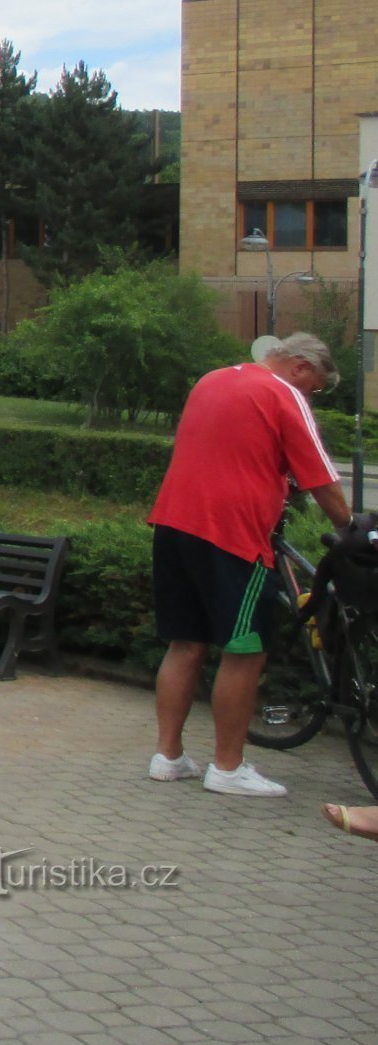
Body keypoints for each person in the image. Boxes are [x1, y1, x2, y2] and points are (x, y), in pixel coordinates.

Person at [147, 333, 349, 797]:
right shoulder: (282, 393)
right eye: (313, 387)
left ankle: (169, 756)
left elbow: (230, 449)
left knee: (186, 642)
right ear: (299, 367)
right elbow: (321, 476)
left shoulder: (212, 380)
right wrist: (350, 528)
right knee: (246, 648)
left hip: (174, 523)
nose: (309, 397)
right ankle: (227, 767)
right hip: (231, 536)